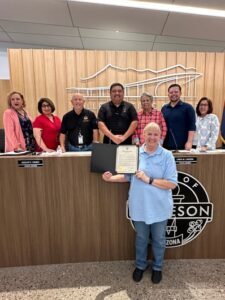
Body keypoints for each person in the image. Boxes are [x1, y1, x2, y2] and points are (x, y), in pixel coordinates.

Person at [102, 122, 177, 284]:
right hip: (139, 205)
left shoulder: (167, 156)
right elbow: (126, 176)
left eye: (155, 134)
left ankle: (157, 267)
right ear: (143, 134)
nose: (152, 137)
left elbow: (172, 183)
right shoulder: (135, 154)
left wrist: (148, 179)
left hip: (159, 206)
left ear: (160, 136)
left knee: (158, 239)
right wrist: (109, 178)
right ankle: (140, 266)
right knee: (141, 238)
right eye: (149, 133)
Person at [161, 84, 196, 150]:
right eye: (171, 92)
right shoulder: (164, 108)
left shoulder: (188, 108)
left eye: (176, 92)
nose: (173, 94)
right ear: (168, 94)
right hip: (166, 145)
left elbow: (192, 127)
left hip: (182, 145)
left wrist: (189, 142)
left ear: (180, 93)